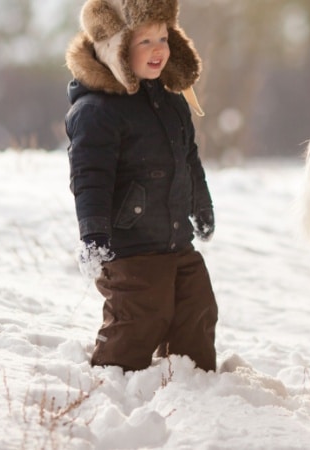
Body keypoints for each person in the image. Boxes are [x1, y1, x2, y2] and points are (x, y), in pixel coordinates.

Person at [64, 0, 217, 372]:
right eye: (144, 40)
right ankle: (112, 379)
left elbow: (189, 159)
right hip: (129, 249)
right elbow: (89, 178)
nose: (158, 49)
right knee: (139, 318)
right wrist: (94, 236)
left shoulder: (171, 101)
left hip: (176, 241)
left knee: (197, 308)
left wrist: (201, 205)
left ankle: (194, 382)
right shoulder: (97, 111)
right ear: (115, 47)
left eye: (163, 37)